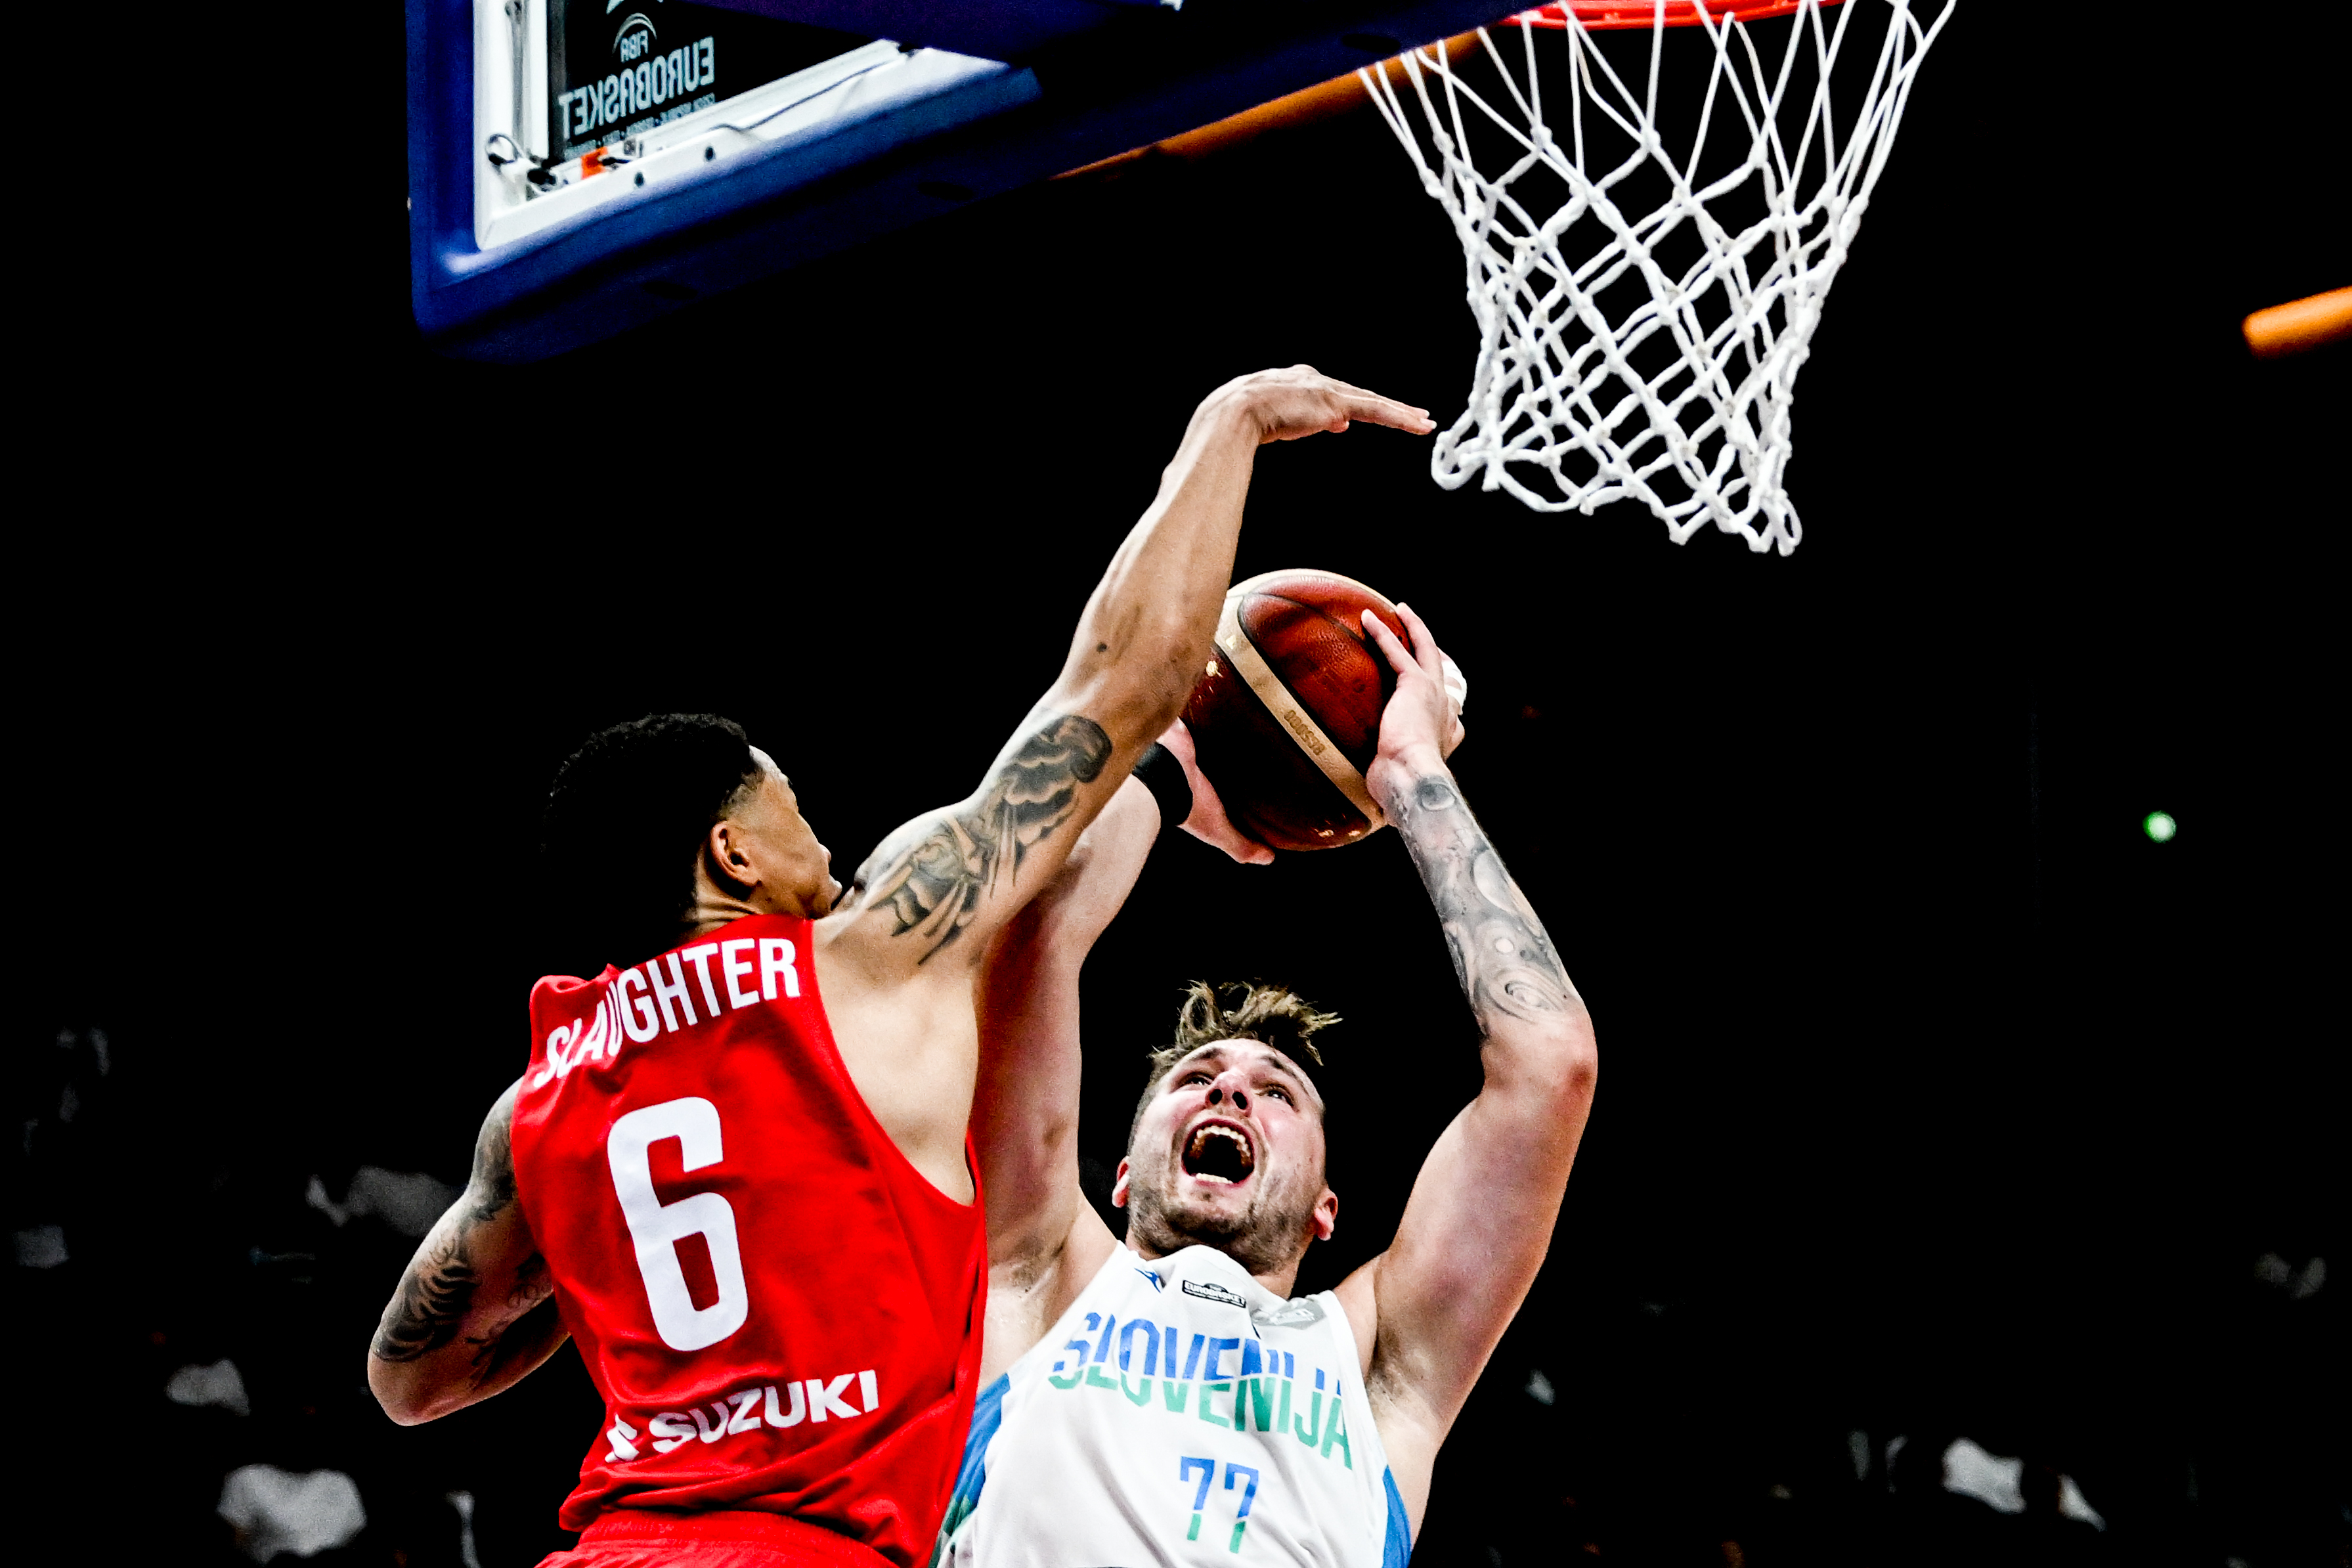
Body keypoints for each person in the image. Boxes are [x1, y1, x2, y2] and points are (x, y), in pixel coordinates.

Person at [361, 368, 1435, 1568]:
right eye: (791, 805)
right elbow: (1122, 683)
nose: (819, 838)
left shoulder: (537, 1110)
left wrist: (602, 1257)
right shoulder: (865, 958)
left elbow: (413, 1378)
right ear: (732, 852)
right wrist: (1230, 423)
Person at [941, 603, 1600, 1567]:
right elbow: (1035, 924)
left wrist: (1412, 775)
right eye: (1198, 1076)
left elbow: (1552, 1068)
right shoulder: (1038, 1270)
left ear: (1328, 1210)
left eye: (1275, 1091)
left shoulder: (1380, 1363)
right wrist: (1178, 763)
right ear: (1120, 1178)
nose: (1229, 1094)